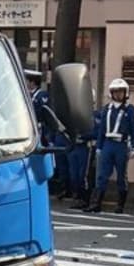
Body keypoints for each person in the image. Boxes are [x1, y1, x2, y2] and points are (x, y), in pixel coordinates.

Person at [89, 77, 134, 214]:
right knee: (102, 174)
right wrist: (99, 147)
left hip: (121, 145)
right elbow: (101, 130)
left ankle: (120, 205)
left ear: (126, 93)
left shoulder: (130, 110)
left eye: (121, 92)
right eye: (115, 92)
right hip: (108, 143)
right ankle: (97, 203)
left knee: (121, 175)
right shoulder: (106, 109)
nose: (118, 95)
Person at [32, 71, 75, 201]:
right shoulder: (29, 95)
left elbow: (47, 116)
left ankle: (67, 189)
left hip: (42, 131)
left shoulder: (42, 96)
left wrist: (49, 136)